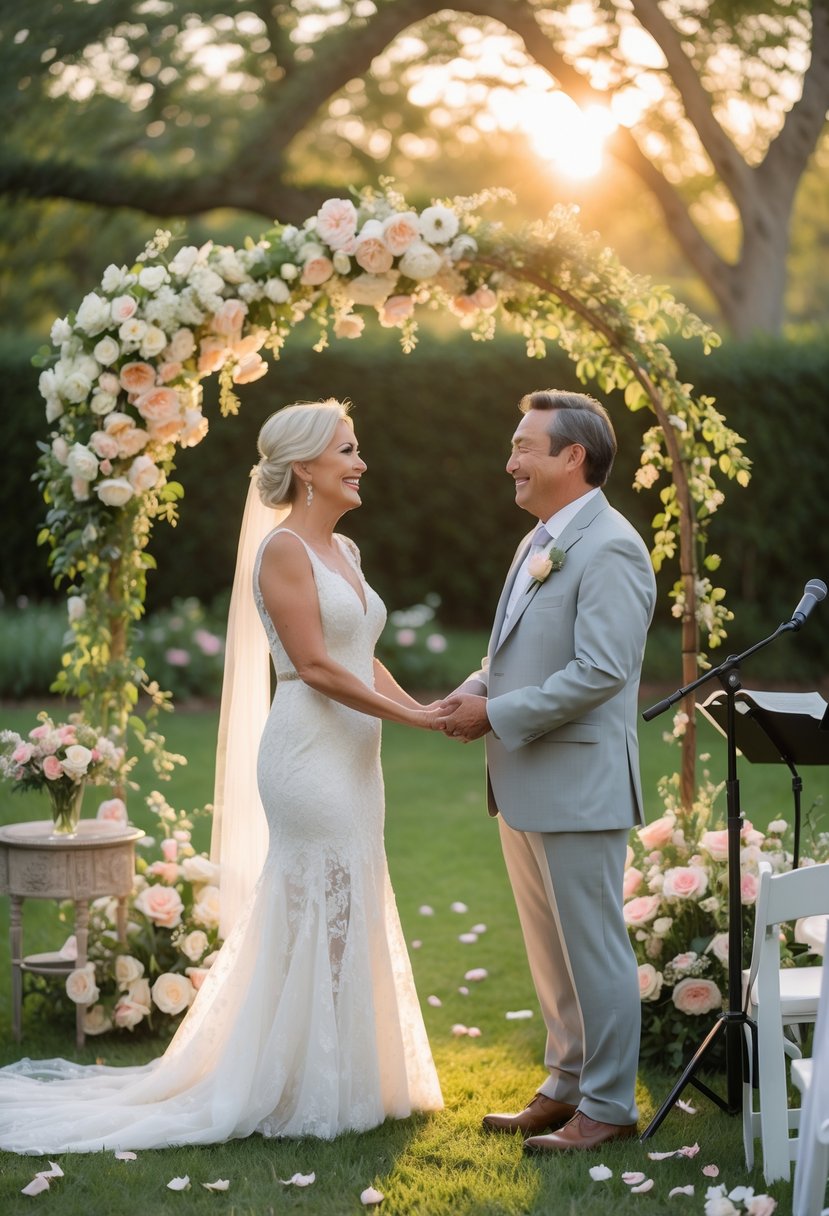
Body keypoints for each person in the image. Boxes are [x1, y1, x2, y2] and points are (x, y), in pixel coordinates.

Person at [0, 399, 443, 1152]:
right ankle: (297, 1082)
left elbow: (360, 654)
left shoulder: (349, 553)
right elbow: (310, 666)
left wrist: (424, 707)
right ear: (305, 467)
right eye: (348, 450)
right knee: (318, 904)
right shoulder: (282, 552)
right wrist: (417, 723)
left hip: (355, 758)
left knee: (350, 899)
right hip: (308, 754)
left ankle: (337, 1071)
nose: (361, 462)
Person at [438, 389, 656, 1154]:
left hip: (579, 784)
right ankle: (563, 1086)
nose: (511, 463)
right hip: (527, 780)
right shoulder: (541, 538)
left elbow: (599, 671)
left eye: (524, 447)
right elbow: (515, 651)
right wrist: (474, 689)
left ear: (573, 456)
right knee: (549, 951)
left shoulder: (612, 547)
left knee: (592, 949)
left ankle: (607, 1106)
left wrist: (494, 715)